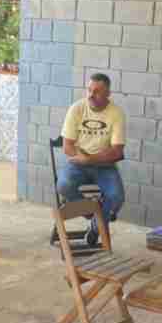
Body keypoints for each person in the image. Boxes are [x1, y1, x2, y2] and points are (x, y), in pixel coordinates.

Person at [58, 73, 126, 246]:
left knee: (116, 197)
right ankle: (91, 211)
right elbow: (67, 146)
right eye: (89, 90)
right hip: (78, 163)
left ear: (107, 94)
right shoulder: (77, 108)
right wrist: (83, 159)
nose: (90, 95)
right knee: (64, 185)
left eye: (96, 91)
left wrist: (91, 159)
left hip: (104, 166)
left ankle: (96, 226)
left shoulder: (116, 113)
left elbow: (117, 152)